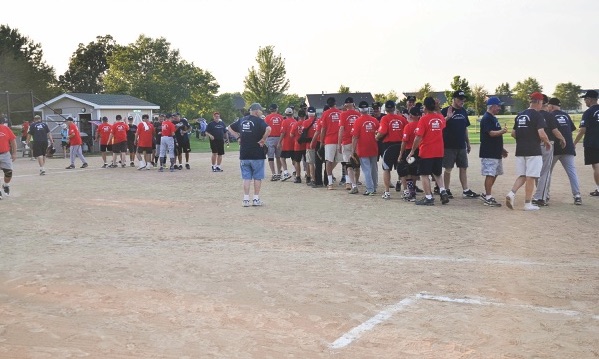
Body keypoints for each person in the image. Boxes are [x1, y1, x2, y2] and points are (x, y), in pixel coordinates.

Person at [505, 92, 552, 211]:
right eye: (542, 103)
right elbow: (541, 133)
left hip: (520, 150)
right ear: (538, 102)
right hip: (533, 150)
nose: (542, 105)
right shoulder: (537, 115)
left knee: (523, 175)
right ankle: (527, 203)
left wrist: (523, 139)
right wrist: (547, 143)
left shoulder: (520, 115)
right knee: (531, 177)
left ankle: (511, 193)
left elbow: (513, 133)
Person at [407, 97, 450, 206]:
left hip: (427, 151)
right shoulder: (440, 117)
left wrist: (412, 151)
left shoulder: (424, 119)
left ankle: (428, 197)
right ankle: (443, 191)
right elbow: (444, 122)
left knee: (424, 174)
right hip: (439, 150)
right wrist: (438, 108)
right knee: (437, 173)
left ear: (425, 107)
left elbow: (418, 137)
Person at [228, 103, 271, 207]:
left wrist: (238, 137)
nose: (262, 113)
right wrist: (263, 139)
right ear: (256, 111)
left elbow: (229, 127)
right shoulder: (260, 121)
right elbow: (269, 129)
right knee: (257, 177)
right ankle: (256, 199)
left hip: (244, 153)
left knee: (246, 177)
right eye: (261, 111)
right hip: (257, 153)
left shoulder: (242, 120)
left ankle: (246, 199)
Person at [440, 90, 478, 199]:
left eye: (463, 99)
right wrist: (448, 117)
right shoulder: (445, 110)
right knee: (448, 168)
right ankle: (446, 190)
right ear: (454, 99)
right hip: (449, 145)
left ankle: (465, 190)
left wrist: (468, 143)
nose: (462, 101)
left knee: (463, 167)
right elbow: (440, 124)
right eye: (460, 99)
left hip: (461, 145)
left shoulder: (463, 111)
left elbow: (465, 128)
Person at [532, 95, 566, 206]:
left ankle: (541, 194)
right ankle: (541, 197)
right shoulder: (549, 115)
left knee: (537, 171)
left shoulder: (532, 115)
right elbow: (555, 131)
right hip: (547, 144)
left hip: (534, 145)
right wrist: (562, 139)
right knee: (545, 172)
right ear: (545, 104)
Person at [547, 97, 582, 205]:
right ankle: (577, 196)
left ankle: (545, 195)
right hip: (568, 148)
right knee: (572, 172)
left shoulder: (550, 115)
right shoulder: (566, 115)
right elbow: (570, 130)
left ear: (551, 106)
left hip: (555, 148)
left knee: (547, 172)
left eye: (548, 105)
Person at [479, 97, 509, 207]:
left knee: (495, 173)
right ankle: (488, 197)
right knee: (490, 174)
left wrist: (501, 149)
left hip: (495, 151)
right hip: (489, 151)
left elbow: (495, 136)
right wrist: (502, 131)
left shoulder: (493, 118)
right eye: (498, 106)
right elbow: (491, 133)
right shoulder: (487, 118)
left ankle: (487, 194)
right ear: (492, 106)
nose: (499, 108)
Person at [376, 100, 408, 199]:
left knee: (386, 169)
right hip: (400, 145)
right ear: (394, 108)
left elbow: (382, 132)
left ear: (385, 109)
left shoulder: (385, 118)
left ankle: (387, 192)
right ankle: (406, 191)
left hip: (388, 146)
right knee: (402, 169)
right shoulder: (401, 119)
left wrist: (376, 137)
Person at [574, 90, 599, 197]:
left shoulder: (588, 112)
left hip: (592, 142)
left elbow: (582, 130)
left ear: (589, 99)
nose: (584, 101)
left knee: (596, 165)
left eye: (585, 99)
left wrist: (574, 142)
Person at [351, 101, 379, 196]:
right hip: (373, 147)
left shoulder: (358, 121)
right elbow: (379, 133)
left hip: (363, 148)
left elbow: (355, 137)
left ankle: (370, 189)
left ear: (359, 109)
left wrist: (352, 151)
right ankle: (374, 187)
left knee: (366, 169)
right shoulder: (374, 120)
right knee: (374, 169)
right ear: (368, 109)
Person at [398, 105, 422, 201]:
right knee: (415, 172)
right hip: (420, 150)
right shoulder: (421, 124)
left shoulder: (408, 126)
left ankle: (411, 192)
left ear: (410, 116)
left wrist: (400, 154)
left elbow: (404, 141)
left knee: (408, 172)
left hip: (409, 151)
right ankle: (413, 190)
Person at [320, 97, 343, 190]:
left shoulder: (325, 114)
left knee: (328, 161)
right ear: (335, 103)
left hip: (329, 140)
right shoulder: (341, 113)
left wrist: (321, 141)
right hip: (340, 140)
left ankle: (330, 183)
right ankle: (347, 182)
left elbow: (323, 129)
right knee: (341, 161)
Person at [338, 97, 361, 191]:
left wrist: (339, 143)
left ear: (345, 105)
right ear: (353, 104)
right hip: (357, 142)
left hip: (347, 141)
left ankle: (353, 185)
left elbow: (341, 129)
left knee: (348, 165)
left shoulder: (343, 114)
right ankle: (356, 181)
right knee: (357, 164)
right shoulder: (358, 114)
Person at [264, 104, 284, 180]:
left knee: (270, 157)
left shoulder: (267, 118)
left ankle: (273, 173)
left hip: (270, 138)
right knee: (278, 157)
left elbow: (265, 129)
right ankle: (279, 173)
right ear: (276, 109)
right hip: (279, 138)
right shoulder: (281, 117)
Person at [0, 117, 17, 199]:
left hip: (5, 154)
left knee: (8, 173)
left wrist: (14, 153)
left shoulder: (5, 128)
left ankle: (6, 185)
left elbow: (13, 141)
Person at [278, 107, 295, 181]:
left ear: (285, 114)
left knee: (282, 158)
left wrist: (279, 142)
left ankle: (285, 172)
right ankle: (297, 173)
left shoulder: (284, 121)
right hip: (294, 143)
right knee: (294, 159)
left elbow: (283, 133)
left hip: (286, 143)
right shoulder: (295, 121)